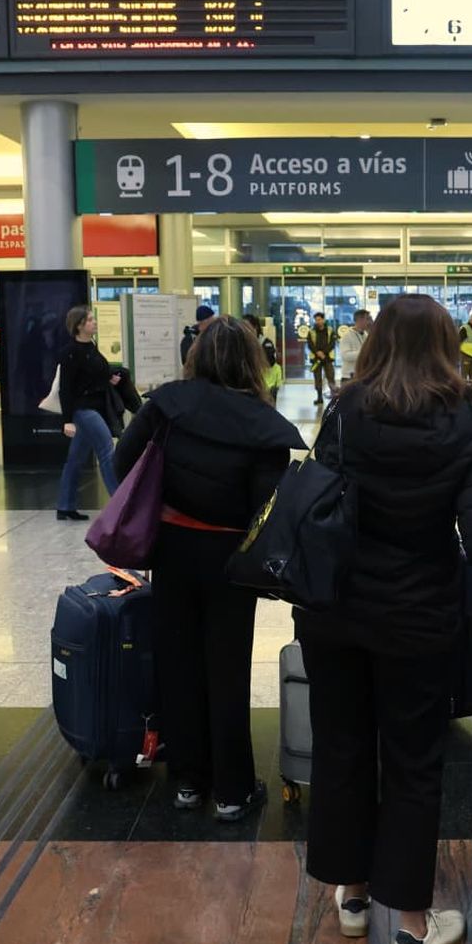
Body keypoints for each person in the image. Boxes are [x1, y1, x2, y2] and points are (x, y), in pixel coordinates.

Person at [295, 294, 472, 944]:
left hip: (335, 613)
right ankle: (409, 926)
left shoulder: (346, 410)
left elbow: (320, 500)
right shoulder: (462, 417)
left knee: (343, 746)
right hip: (415, 616)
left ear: (377, 342)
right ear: (445, 342)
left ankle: (351, 895)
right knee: (412, 761)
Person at [113, 316, 304, 819]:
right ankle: (233, 791)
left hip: (171, 550)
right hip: (230, 562)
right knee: (227, 669)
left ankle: (187, 783)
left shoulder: (168, 405)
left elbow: (120, 466)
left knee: (178, 664)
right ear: (252, 362)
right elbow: (268, 507)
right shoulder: (263, 425)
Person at [55, 306, 139, 521]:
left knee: (76, 458)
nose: (95, 322)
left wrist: (110, 378)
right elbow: (66, 388)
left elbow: (96, 373)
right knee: (106, 450)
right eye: (90, 320)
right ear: (79, 325)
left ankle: (65, 505)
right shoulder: (69, 353)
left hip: (96, 406)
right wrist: (66, 421)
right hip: (83, 410)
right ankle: (121, 504)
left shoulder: (92, 347)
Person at [244, 313, 283, 399]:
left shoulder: (265, 343)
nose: (245, 329)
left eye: (247, 326)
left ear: (255, 327)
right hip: (250, 384)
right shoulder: (242, 342)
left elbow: (270, 361)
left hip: (267, 384)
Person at [306, 312, 339, 404]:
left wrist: (324, 353)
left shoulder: (330, 330)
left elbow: (332, 343)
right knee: (317, 378)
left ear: (323, 320)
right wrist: (317, 352)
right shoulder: (311, 331)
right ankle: (319, 397)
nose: (318, 321)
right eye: (316, 320)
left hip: (327, 358)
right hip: (316, 358)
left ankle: (334, 397)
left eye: (319, 319)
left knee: (331, 377)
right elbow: (310, 344)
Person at [337, 308, 372, 382]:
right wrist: (364, 352)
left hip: (362, 374)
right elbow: (345, 356)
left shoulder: (366, 335)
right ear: (360, 320)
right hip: (349, 376)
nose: (369, 322)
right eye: (367, 319)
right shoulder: (347, 336)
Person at [457, 311, 472, 382]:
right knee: (464, 376)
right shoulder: (464, 329)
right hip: (465, 355)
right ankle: (462, 392)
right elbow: (458, 341)